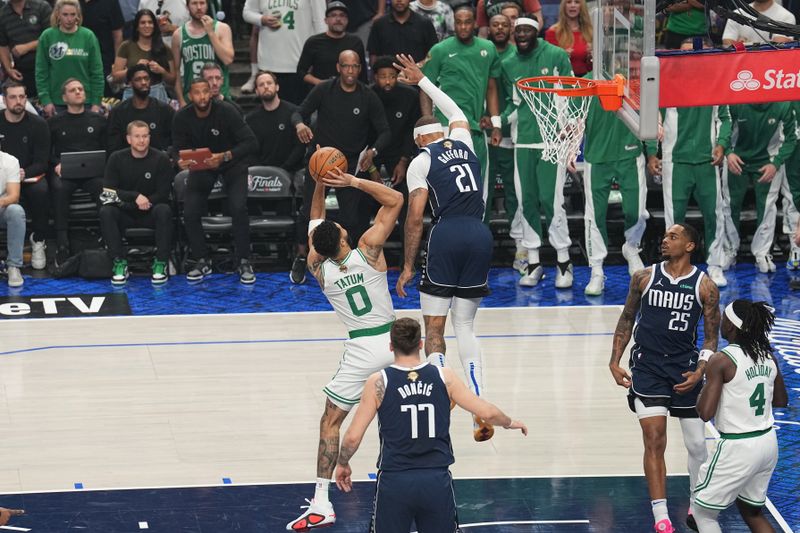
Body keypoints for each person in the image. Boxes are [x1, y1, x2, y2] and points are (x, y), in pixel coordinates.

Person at [285, 163, 404, 531]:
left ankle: (322, 500)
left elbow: (315, 222)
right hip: (394, 344)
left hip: (360, 350)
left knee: (331, 421)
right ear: (342, 238)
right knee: (405, 414)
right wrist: (351, 181)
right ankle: (407, 486)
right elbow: (395, 199)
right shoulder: (368, 249)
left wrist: (319, 184)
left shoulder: (318, 267)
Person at [334, 317, 528, 533]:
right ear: (420, 344)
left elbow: (352, 437)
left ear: (391, 346)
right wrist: (509, 422)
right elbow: (487, 412)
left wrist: (343, 462)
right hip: (436, 480)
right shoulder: (444, 376)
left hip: (395, 480)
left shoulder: (378, 381)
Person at [394, 53, 496, 442]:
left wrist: (406, 265)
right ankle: (480, 407)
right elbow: (455, 109)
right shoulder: (465, 141)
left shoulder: (421, 161)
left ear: (420, 139)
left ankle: (441, 396)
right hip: (480, 234)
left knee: (434, 328)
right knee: (466, 325)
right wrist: (422, 80)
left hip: (447, 234)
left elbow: (416, 218)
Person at [609, 223, 721, 533]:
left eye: (674, 236)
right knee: (654, 440)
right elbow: (627, 318)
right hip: (648, 367)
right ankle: (661, 518)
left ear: (689, 246)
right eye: (665, 236)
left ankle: (697, 506)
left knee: (698, 445)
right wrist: (614, 360)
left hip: (685, 369)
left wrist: (699, 370)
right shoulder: (643, 277)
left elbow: (711, 339)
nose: (665, 240)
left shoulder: (705, 286)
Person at [290, 49, 390, 284]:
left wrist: (373, 151)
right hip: (320, 160)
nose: (350, 71)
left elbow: (385, 131)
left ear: (360, 69)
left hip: (350, 163)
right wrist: (299, 126)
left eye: (355, 66)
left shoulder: (367, 96)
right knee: (308, 213)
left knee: (352, 217)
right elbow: (298, 113)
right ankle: (302, 258)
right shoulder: (325, 89)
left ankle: (349, 263)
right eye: (346, 66)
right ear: (338, 67)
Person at [689, 300, 788, 533]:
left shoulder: (722, 360)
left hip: (738, 446)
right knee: (751, 510)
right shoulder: (767, 356)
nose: (720, 322)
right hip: (767, 442)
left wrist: (705, 383)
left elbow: (704, 413)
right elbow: (781, 401)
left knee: (702, 513)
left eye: (724, 319)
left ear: (731, 326)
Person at [499, 17, 575, 288]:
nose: (521, 34)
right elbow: (513, 104)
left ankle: (564, 263)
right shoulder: (508, 64)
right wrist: (497, 122)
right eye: (517, 30)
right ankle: (533, 263)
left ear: (536, 32)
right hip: (523, 144)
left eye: (526, 30)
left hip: (552, 142)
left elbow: (570, 93)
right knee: (526, 201)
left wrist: (569, 129)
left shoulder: (555, 55)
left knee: (550, 200)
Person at [172, 78, 258, 284]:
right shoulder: (182, 117)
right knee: (190, 211)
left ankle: (244, 260)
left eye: (205, 91)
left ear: (211, 92)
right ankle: (202, 259)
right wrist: (179, 161)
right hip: (202, 166)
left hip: (231, 163)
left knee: (238, 207)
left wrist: (225, 156)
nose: (202, 96)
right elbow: (175, 148)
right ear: (189, 95)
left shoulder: (227, 111)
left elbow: (251, 142)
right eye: (197, 92)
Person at [421, 6, 501, 222]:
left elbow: (492, 87)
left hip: (475, 128)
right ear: (453, 23)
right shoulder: (439, 50)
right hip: (445, 129)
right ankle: (446, 234)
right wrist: (430, 126)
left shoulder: (488, 48)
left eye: (468, 22)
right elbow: (425, 88)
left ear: (475, 23)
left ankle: (478, 234)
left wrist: (496, 123)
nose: (463, 26)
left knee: (479, 184)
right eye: (459, 22)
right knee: (445, 185)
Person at [645, 101, 731, 287]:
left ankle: (715, 265)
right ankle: (673, 267)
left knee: (714, 216)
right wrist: (652, 152)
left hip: (707, 162)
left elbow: (725, 118)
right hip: (675, 162)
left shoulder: (714, 85)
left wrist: (722, 144)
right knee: (674, 222)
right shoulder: (668, 85)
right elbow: (654, 120)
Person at [581, 78, 649, 295]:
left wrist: (653, 149)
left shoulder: (635, 79)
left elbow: (651, 114)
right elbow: (574, 118)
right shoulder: (584, 83)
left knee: (636, 210)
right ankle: (597, 270)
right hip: (596, 156)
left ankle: (631, 247)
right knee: (594, 215)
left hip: (629, 153)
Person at [717, 102, 797, 274]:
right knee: (730, 204)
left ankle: (762, 252)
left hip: (768, 160)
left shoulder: (783, 104)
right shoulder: (736, 101)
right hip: (736, 158)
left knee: (768, 205)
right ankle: (730, 249)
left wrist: (776, 163)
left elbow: (791, 138)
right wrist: (728, 152)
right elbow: (723, 125)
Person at [100, 120, 174, 285]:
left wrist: (144, 202)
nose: (141, 140)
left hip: (151, 210)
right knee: (106, 212)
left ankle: (161, 262)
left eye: (145, 136)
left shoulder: (161, 158)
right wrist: (135, 197)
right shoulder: (116, 158)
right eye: (137, 136)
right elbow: (108, 191)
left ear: (149, 137)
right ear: (128, 139)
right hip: (125, 211)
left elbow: (163, 193)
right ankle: (119, 263)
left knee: (164, 210)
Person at [48, 78, 107, 262]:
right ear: (64, 97)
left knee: (105, 188)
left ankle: (107, 238)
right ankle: (62, 242)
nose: (78, 92)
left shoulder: (98, 120)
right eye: (73, 90)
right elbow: (46, 152)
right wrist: (57, 163)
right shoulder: (54, 122)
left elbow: (108, 150)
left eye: (81, 89)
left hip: (94, 173)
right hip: (65, 173)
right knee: (58, 188)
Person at [486, 13, 525, 274]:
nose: (500, 28)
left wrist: (500, 121)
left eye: (504, 25)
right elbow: (481, 88)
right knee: (483, 195)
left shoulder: (517, 56)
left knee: (515, 194)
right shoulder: (484, 52)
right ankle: (480, 250)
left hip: (514, 133)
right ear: (488, 28)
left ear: (510, 28)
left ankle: (522, 249)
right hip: (485, 133)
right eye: (495, 25)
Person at [0, 81, 50, 270]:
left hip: (28, 175)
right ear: (5, 100)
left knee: (41, 190)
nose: (18, 101)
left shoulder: (38, 124)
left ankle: (38, 240)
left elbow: (42, 161)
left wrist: (23, 173)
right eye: (13, 97)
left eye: (22, 97)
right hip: (1, 177)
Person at [242, 0, 325, 104]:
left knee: (298, 114)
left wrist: (317, 57)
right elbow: (247, 12)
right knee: (271, 114)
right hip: (268, 65)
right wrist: (262, 19)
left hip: (298, 65)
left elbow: (321, 24)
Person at [35, 0, 104, 118]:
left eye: (73, 14)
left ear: (78, 15)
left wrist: (96, 102)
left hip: (85, 101)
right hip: (56, 102)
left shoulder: (88, 36)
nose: (69, 19)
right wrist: (46, 100)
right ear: (58, 15)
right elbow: (41, 72)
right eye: (65, 15)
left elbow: (97, 72)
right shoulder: (47, 36)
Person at [370, 55, 420, 191]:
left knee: (404, 194)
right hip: (372, 153)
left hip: (400, 153)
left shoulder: (410, 96)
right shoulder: (367, 95)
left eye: (392, 76)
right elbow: (362, 134)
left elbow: (411, 131)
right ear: (375, 77)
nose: (387, 81)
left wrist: (403, 162)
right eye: (383, 76)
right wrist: (371, 168)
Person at [171, 0, 234, 106]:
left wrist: (210, 32)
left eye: (202, 3)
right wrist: (181, 101)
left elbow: (227, 60)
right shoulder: (178, 34)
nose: (199, 7)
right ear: (187, 6)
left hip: (219, 96)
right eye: (194, 3)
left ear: (207, 5)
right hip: (192, 98)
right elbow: (175, 71)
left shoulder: (222, 28)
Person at [296, 1, 368, 88]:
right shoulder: (313, 42)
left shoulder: (356, 42)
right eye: (333, 15)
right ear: (326, 20)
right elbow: (301, 71)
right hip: (321, 93)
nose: (338, 19)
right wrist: (320, 83)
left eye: (342, 15)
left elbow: (362, 74)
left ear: (347, 20)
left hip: (350, 92)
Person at [245, 71, 305, 171]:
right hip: (262, 174)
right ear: (256, 91)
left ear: (277, 87)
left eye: (269, 83)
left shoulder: (294, 113)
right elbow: (250, 150)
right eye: (261, 84)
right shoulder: (251, 119)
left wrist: (284, 168)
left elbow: (300, 147)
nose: (266, 87)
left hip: (291, 171)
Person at [110, 9, 175, 102]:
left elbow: (172, 80)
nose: (147, 26)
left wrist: (161, 71)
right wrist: (134, 68)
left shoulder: (164, 48)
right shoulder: (126, 46)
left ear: (154, 26)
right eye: (143, 23)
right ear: (137, 26)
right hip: (132, 94)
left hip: (157, 94)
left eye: (150, 22)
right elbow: (115, 77)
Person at [107, 65, 174, 153]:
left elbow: (173, 143)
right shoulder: (118, 112)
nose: (143, 82)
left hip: (158, 163)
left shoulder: (165, 110)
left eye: (146, 78)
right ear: (130, 83)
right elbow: (113, 148)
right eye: (138, 79)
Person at [0, 0, 52, 98]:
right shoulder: (2, 15)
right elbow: (2, 45)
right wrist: (8, 69)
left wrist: (27, 47)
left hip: (49, 69)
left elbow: (52, 38)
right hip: (22, 73)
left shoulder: (41, 7)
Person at [367, 0, 438, 65]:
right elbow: (373, 54)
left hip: (418, 75)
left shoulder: (424, 24)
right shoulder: (380, 24)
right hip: (388, 76)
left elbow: (433, 54)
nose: (399, 1)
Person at [78, 0, 125, 96]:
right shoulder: (72, 2)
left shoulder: (110, 2)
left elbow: (118, 36)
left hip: (105, 62)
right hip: (77, 61)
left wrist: (117, 64)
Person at [0, 137, 25, 287]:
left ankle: (14, 266)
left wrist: (1, 202)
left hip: (1, 208)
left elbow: (14, 196)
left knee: (16, 211)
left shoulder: (10, 161)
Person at [544, 0, 593, 76]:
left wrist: (591, 57)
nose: (572, 5)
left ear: (582, 6)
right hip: (562, 80)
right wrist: (561, 55)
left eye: (577, 2)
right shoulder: (553, 32)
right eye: (569, 2)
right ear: (564, 6)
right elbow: (548, 63)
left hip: (586, 80)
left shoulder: (591, 32)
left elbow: (593, 68)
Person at [722, 0, 795, 45]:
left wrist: (744, 45)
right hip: (742, 67)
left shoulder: (786, 16)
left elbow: (778, 46)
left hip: (771, 67)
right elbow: (727, 43)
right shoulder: (737, 14)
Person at [477, 0, 542, 38]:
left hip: (521, 37)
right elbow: (483, 33)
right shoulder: (483, 2)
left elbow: (537, 20)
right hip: (497, 43)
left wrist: (526, 39)